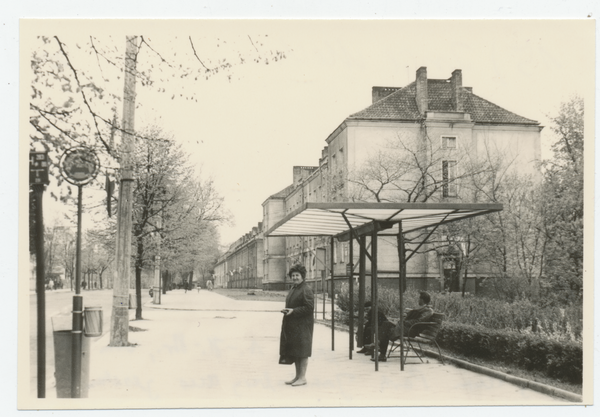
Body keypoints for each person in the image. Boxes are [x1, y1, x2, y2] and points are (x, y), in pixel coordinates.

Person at [369, 291, 434, 362]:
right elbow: (411, 317)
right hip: (405, 327)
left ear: (422, 299)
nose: (418, 300)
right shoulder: (420, 308)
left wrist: (405, 321)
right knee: (386, 323)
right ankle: (378, 345)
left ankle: (381, 352)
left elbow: (418, 322)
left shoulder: (428, 311)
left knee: (387, 331)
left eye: (419, 298)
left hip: (413, 330)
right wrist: (405, 316)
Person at [279, 264, 314, 387]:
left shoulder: (306, 289)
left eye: (297, 275)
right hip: (293, 324)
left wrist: (293, 311)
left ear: (302, 276)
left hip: (303, 325)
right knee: (295, 350)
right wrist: (289, 310)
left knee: (303, 351)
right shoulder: (294, 288)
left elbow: (309, 308)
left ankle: (303, 377)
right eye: (293, 275)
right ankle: (297, 376)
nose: (294, 277)